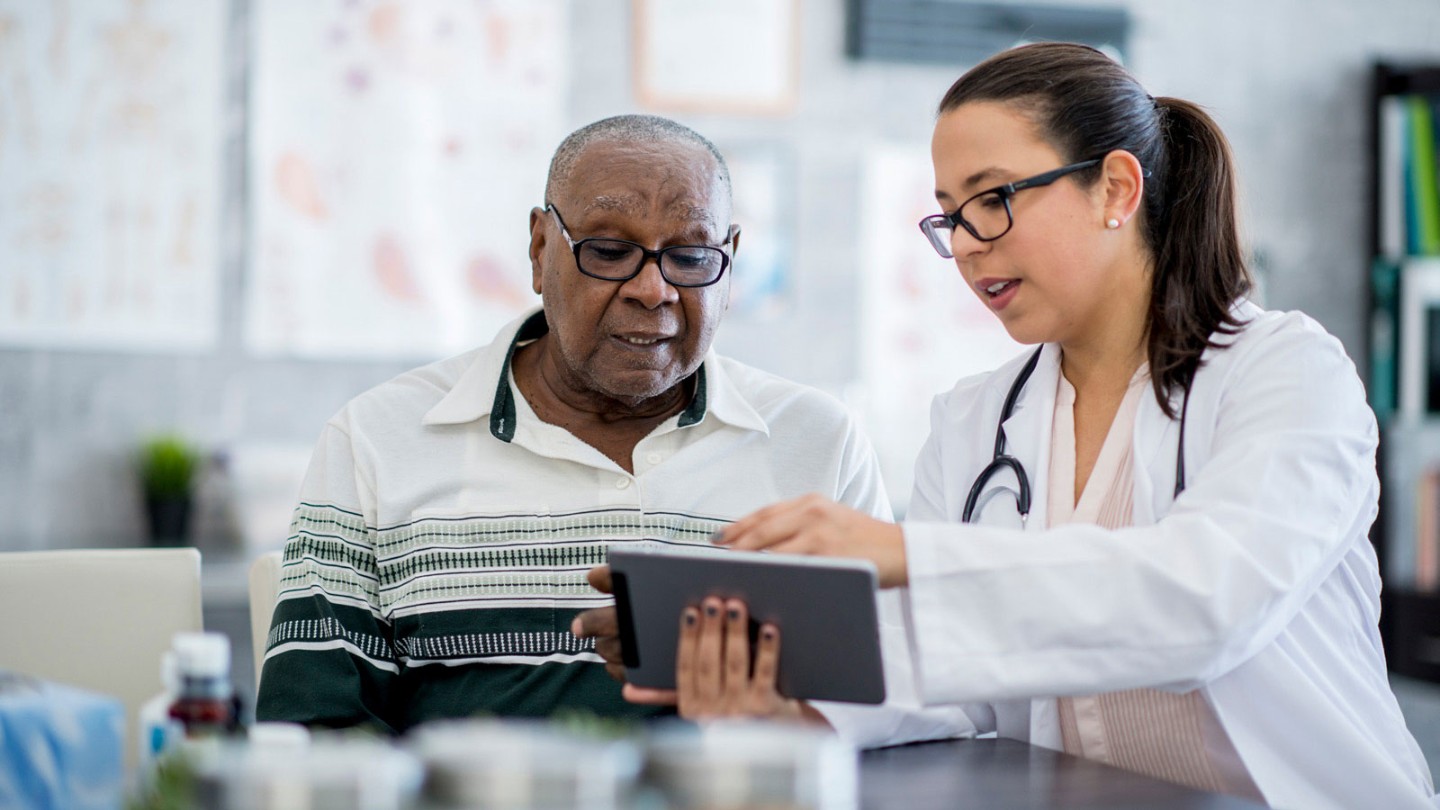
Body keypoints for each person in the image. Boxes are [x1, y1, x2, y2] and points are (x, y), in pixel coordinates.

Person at [662, 44, 1436, 809]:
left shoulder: (1286, 372)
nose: (965, 244)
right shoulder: (974, 420)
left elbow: (1208, 605)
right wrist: (784, 697)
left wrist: (907, 555)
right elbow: (946, 677)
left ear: (1116, 189)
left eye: (993, 198)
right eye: (951, 216)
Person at [253, 114, 911, 734]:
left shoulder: (816, 443)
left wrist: (755, 692)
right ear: (541, 249)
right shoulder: (377, 440)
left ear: (731, 260)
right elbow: (314, 731)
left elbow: (898, 706)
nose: (653, 290)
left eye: (689, 256)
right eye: (609, 249)